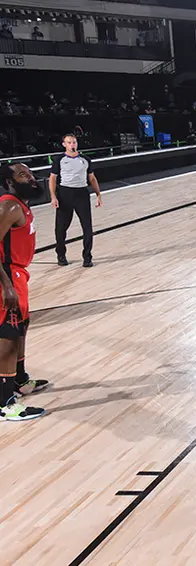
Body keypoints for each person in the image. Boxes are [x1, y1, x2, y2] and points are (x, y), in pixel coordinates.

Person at [0, 165, 50, 421]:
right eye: (22, 175)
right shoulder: (9, 206)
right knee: (8, 336)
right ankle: (5, 403)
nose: (30, 177)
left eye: (29, 173)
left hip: (18, 274)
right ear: (9, 182)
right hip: (6, 275)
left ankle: (19, 380)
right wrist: (6, 284)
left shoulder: (21, 204)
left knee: (21, 326)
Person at [49, 133, 102, 267]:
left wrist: (98, 194)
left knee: (87, 227)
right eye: (69, 142)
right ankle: (61, 254)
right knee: (60, 228)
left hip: (81, 194)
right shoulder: (59, 159)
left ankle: (87, 257)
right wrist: (53, 196)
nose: (72, 145)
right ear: (64, 144)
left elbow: (92, 178)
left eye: (74, 142)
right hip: (65, 194)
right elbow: (53, 179)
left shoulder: (85, 159)